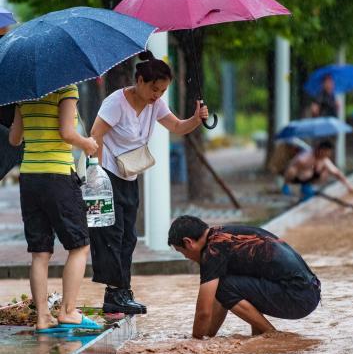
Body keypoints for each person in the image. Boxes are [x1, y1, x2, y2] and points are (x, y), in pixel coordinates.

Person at [90, 51, 208, 317]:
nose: (158, 95)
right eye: (154, 89)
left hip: (129, 176)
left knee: (128, 237)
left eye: (163, 90)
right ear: (139, 80)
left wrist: (196, 118)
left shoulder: (155, 104)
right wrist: (95, 177)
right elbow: (95, 136)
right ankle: (114, 294)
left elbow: (178, 127)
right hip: (106, 174)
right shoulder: (115, 102)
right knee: (111, 235)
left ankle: (123, 290)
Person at [9, 85, 101, 332]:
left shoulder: (23, 93)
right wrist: (87, 144)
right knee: (80, 245)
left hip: (29, 177)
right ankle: (69, 311)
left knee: (39, 252)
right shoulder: (66, 88)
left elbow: (14, 139)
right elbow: (67, 133)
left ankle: (42, 318)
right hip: (58, 176)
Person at [167, 216, 321, 339]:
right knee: (227, 284)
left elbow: (203, 312)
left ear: (188, 242)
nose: (186, 257)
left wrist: (195, 342)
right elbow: (222, 300)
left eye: (181, 252)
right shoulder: (223, 236)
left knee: (223, 286)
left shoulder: (213, 251)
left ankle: (271, 335)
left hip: (298, 298)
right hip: (310, 291)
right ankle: (262, 334)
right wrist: (209, 337)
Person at [283, 140, 353, 199]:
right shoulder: (305, 157)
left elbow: (337, 173)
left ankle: (312, 187)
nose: (328, 154)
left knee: (326, 171)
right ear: (320, 150)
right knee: (292, 169)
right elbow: (293, 169)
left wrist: (348, 185)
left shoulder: (324, 159)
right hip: (297, 178)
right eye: (326, 152)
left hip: (310, 180)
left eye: (329, 153)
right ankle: (287, 187)